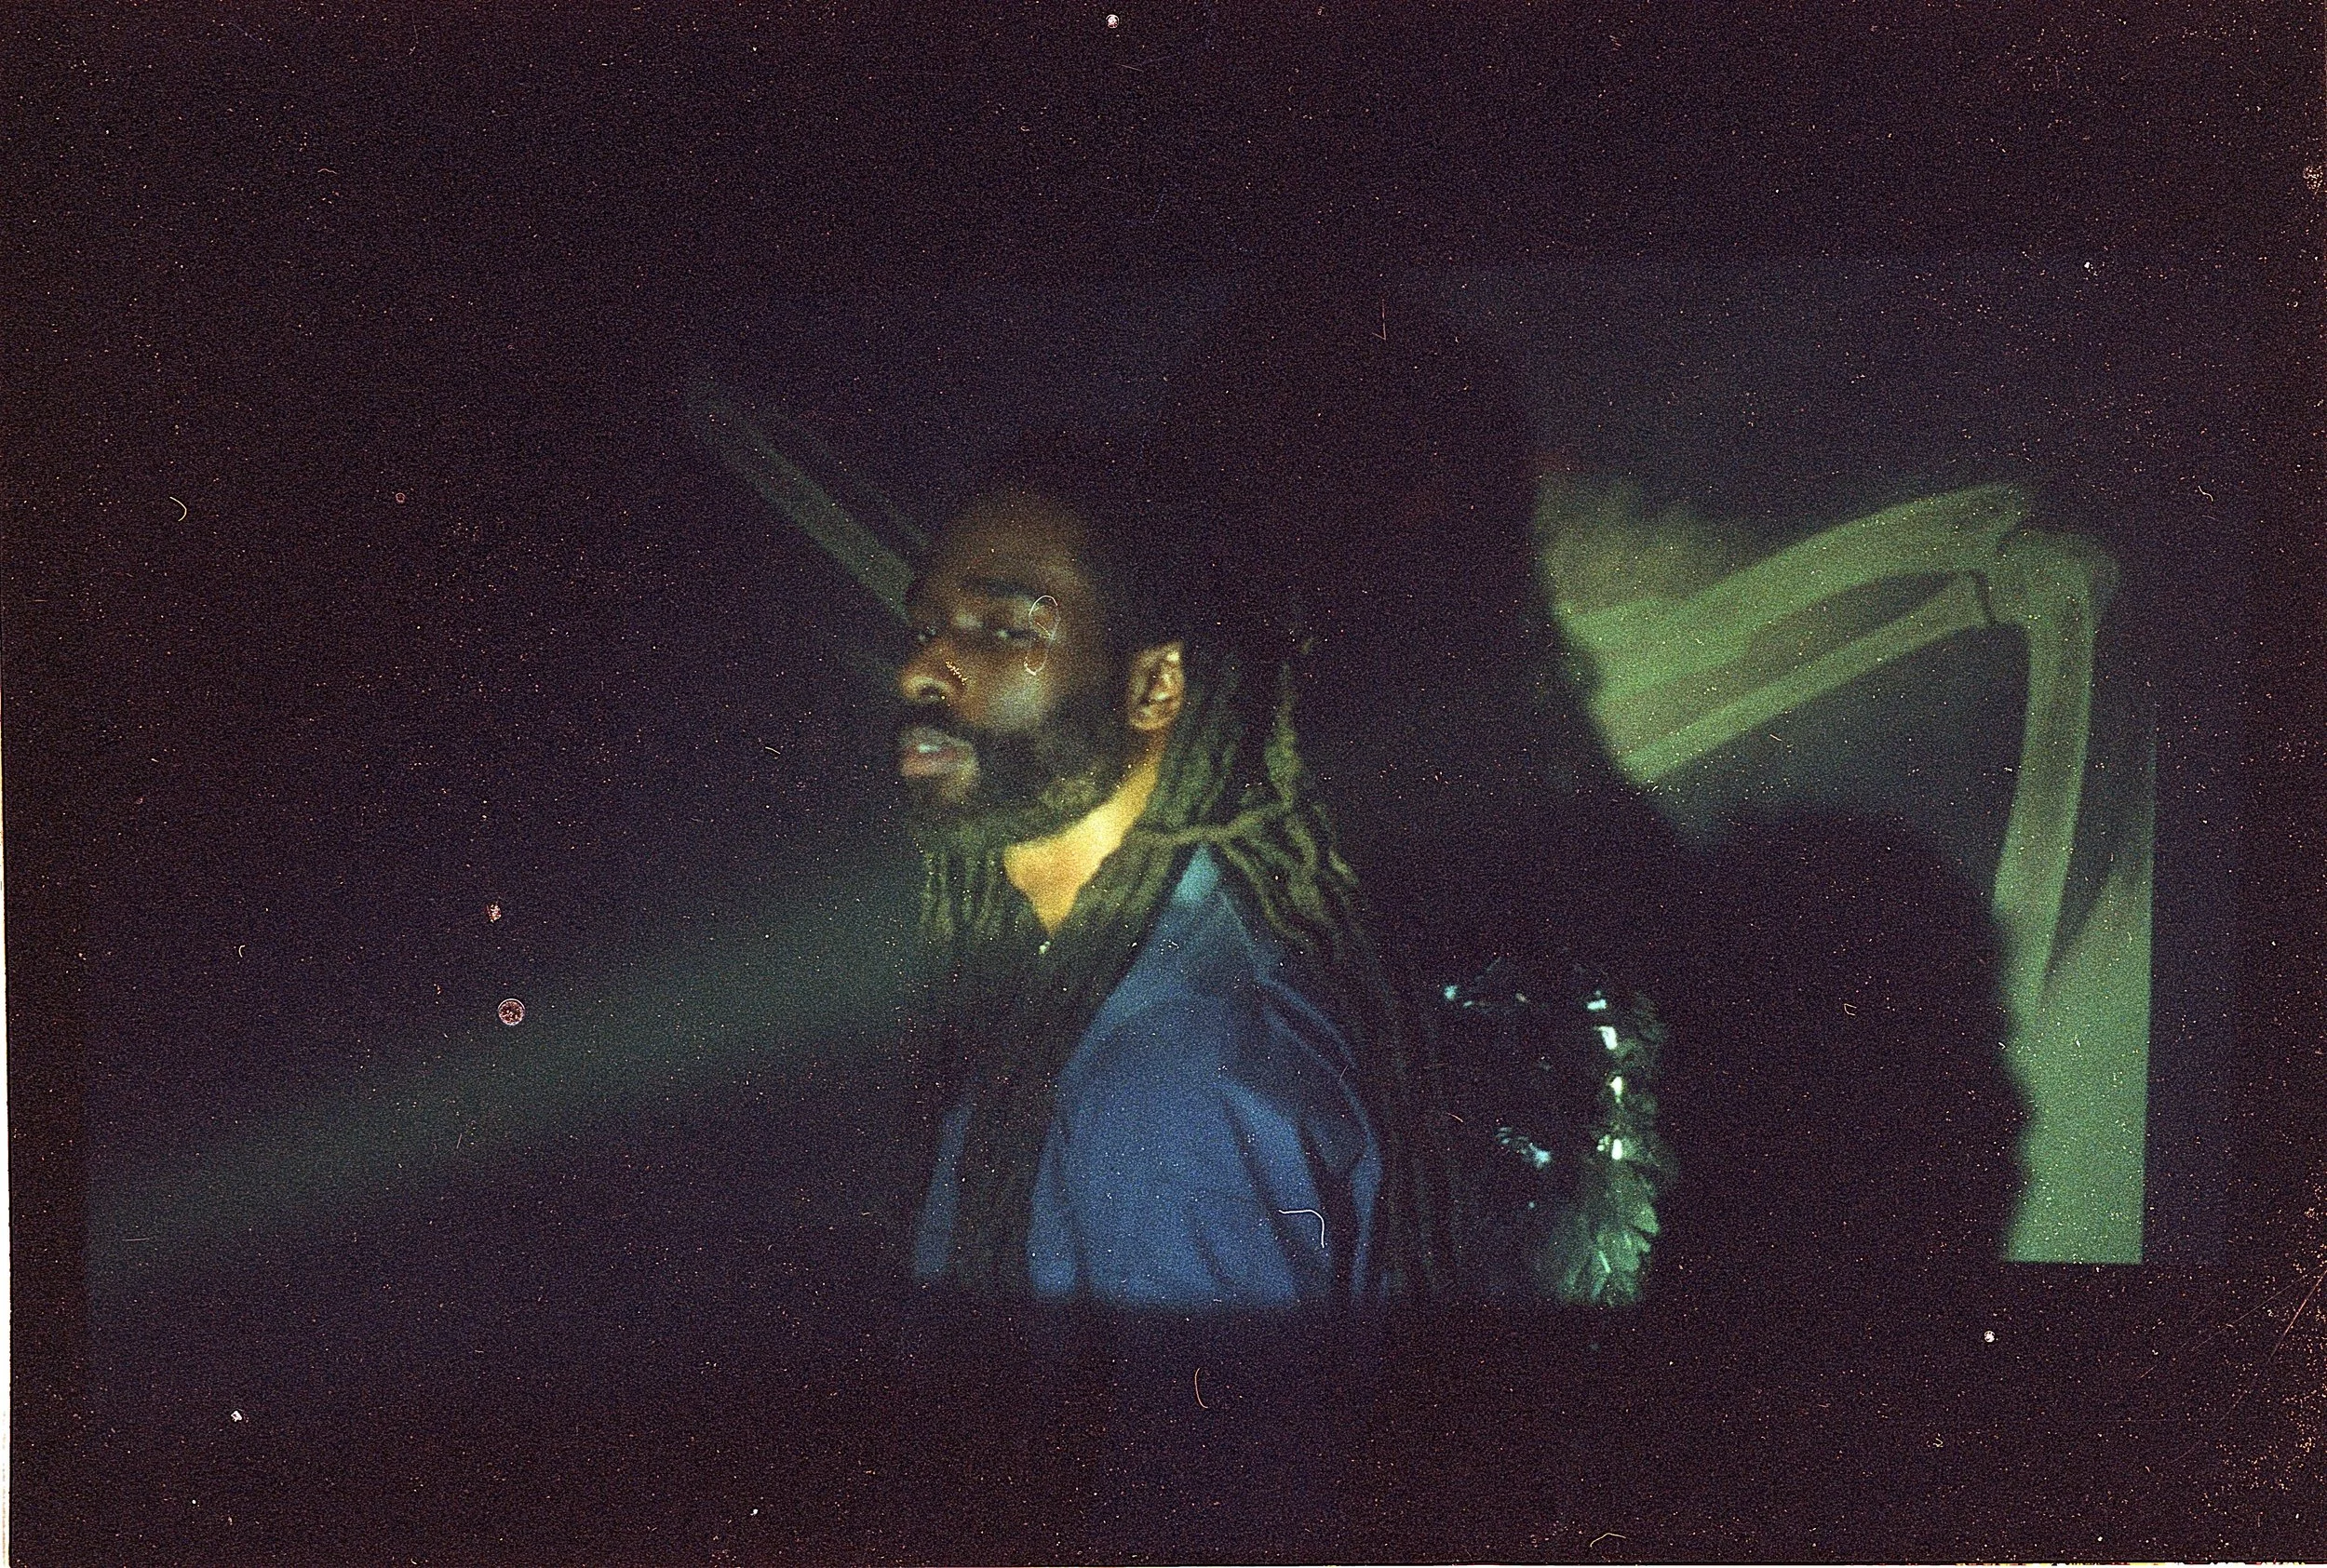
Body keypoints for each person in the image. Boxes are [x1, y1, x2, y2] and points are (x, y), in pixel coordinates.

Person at [894, 431, 1457, 1309]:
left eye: (1005, 630)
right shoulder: (1068, 983)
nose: (922, 671)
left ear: (1156, 686)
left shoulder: (1177, 1072)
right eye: (927, 628)